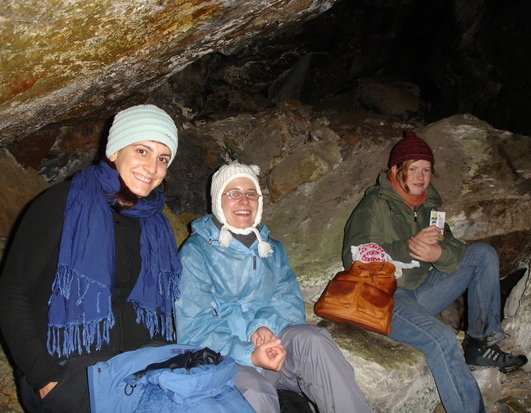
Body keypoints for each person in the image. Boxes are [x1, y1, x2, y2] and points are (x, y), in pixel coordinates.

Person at [0, 104, 183, 413]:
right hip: (69, 368)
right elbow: (12, 294)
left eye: (163, 158)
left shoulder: (154, 222)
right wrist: (45, 378)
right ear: (114, 151)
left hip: (137, 365)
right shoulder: (62, 203)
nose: (152, 167)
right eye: (142, 151)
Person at [342, 129, 528, 413]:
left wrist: (439, 254)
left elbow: (453, 248)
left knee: (482, 254)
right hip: (387, 297)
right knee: (441, 339)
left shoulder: (430, 208)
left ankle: (480, 343)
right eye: (413, 169)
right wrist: (407, 248)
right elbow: (353, 255)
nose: (420, 176)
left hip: (422, 291)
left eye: (426, 169)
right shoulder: (375, 204)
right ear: (396, 170)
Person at [174, 162, 372, 413]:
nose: (244, 201)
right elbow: (193, 330)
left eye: (251, 194)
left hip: (272, 349)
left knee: (314, 339)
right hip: (223, 358)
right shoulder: (195, 253)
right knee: (255, 392)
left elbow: (289, 305)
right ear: (217, 201)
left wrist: (263, 327)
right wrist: (249, 353)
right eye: (233, 193)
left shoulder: (272, 250)